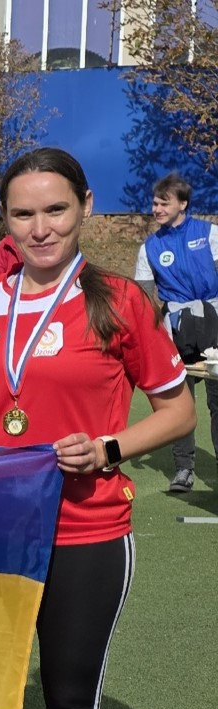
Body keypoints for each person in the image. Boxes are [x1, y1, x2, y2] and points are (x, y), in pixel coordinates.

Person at [0, 147, 194, 709]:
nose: (40, 230)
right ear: (5, 218)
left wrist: (107, 449)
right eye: (22, 215)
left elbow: (179, 412)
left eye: (55, 210)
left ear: (86, 205)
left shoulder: (120, 300)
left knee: (69, 705)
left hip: (85, 531)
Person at [133, 173, 218, 493]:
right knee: (181, 403)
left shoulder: (209, 233)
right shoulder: (150, 247)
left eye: (163, 203)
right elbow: (143, 297)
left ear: (182, 204)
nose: (156, 208)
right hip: (177, 327)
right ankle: (184, 469)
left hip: (214, 320)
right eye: (154, 203)